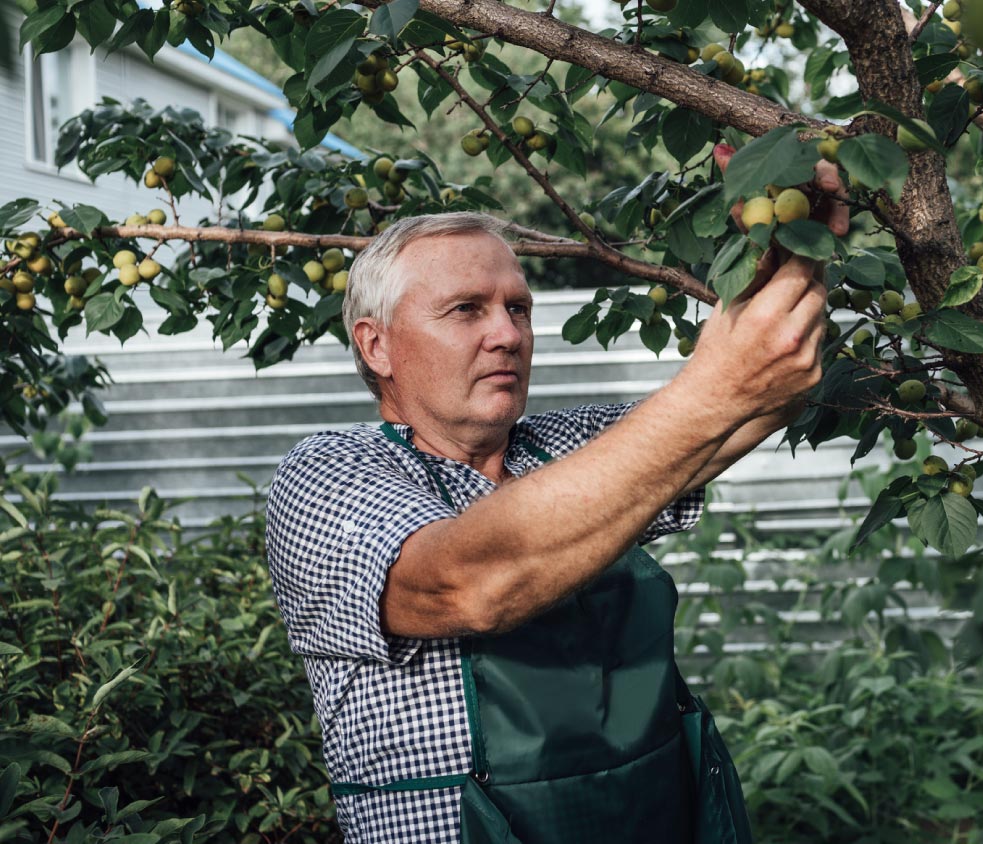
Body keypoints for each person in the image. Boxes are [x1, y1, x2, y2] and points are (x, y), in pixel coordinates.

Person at [264, 157, 847, 843]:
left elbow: (756, 400)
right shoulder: (329, 474)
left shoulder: (561, 445)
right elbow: (472, 583)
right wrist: (714, 389)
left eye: (518, 308)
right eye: (466, 310)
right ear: (377, 346)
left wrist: (785, 249)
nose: (508, 334)